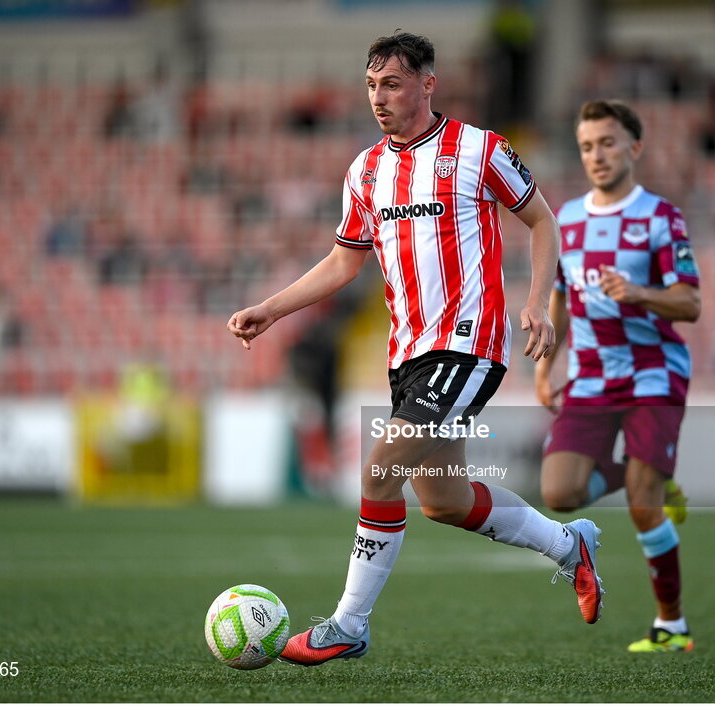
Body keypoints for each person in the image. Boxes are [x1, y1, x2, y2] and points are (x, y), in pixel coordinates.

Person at [227, 32, 603, 666]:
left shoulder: (479, 149)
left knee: (380, 467)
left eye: (393, 83)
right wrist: (272, 308)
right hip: (409, 354)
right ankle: (571, 546)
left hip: (469, 342)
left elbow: (544, 221)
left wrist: (537, 301)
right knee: (445, 502)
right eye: (372, 84)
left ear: (429, 84)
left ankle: (349, 624)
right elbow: (346, 261)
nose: (379, 96)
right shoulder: (365, 169)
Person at [535, 100, 701, 653]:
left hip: (654, 372)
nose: (597, 155)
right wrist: (545, 362)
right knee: (559, 493)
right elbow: (560, 294)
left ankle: (671, 625)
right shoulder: (569, 220)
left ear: (634, 147)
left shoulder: (660, 217)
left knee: (641, 500)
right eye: (587, 146)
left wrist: (641, 293)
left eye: (607, 143)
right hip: (590, 377)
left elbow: (691, 303)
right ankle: (650, 471)